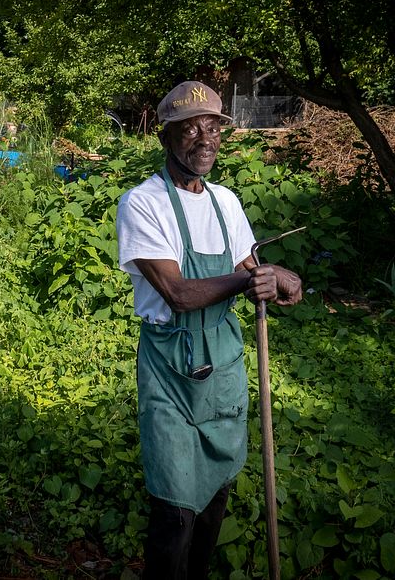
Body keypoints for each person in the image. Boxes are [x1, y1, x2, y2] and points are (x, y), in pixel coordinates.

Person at [115, 81, 303, 578]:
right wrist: (248, 278)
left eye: (213, 127)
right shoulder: (143, 203)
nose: (205, 138)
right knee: (176, 505)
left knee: (217, 490)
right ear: (167, 137)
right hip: (172, 365)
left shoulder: (225, 202)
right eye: (190, 128)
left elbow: (249, 265)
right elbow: (178, 294)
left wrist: (278, 278)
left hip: (221, 358)